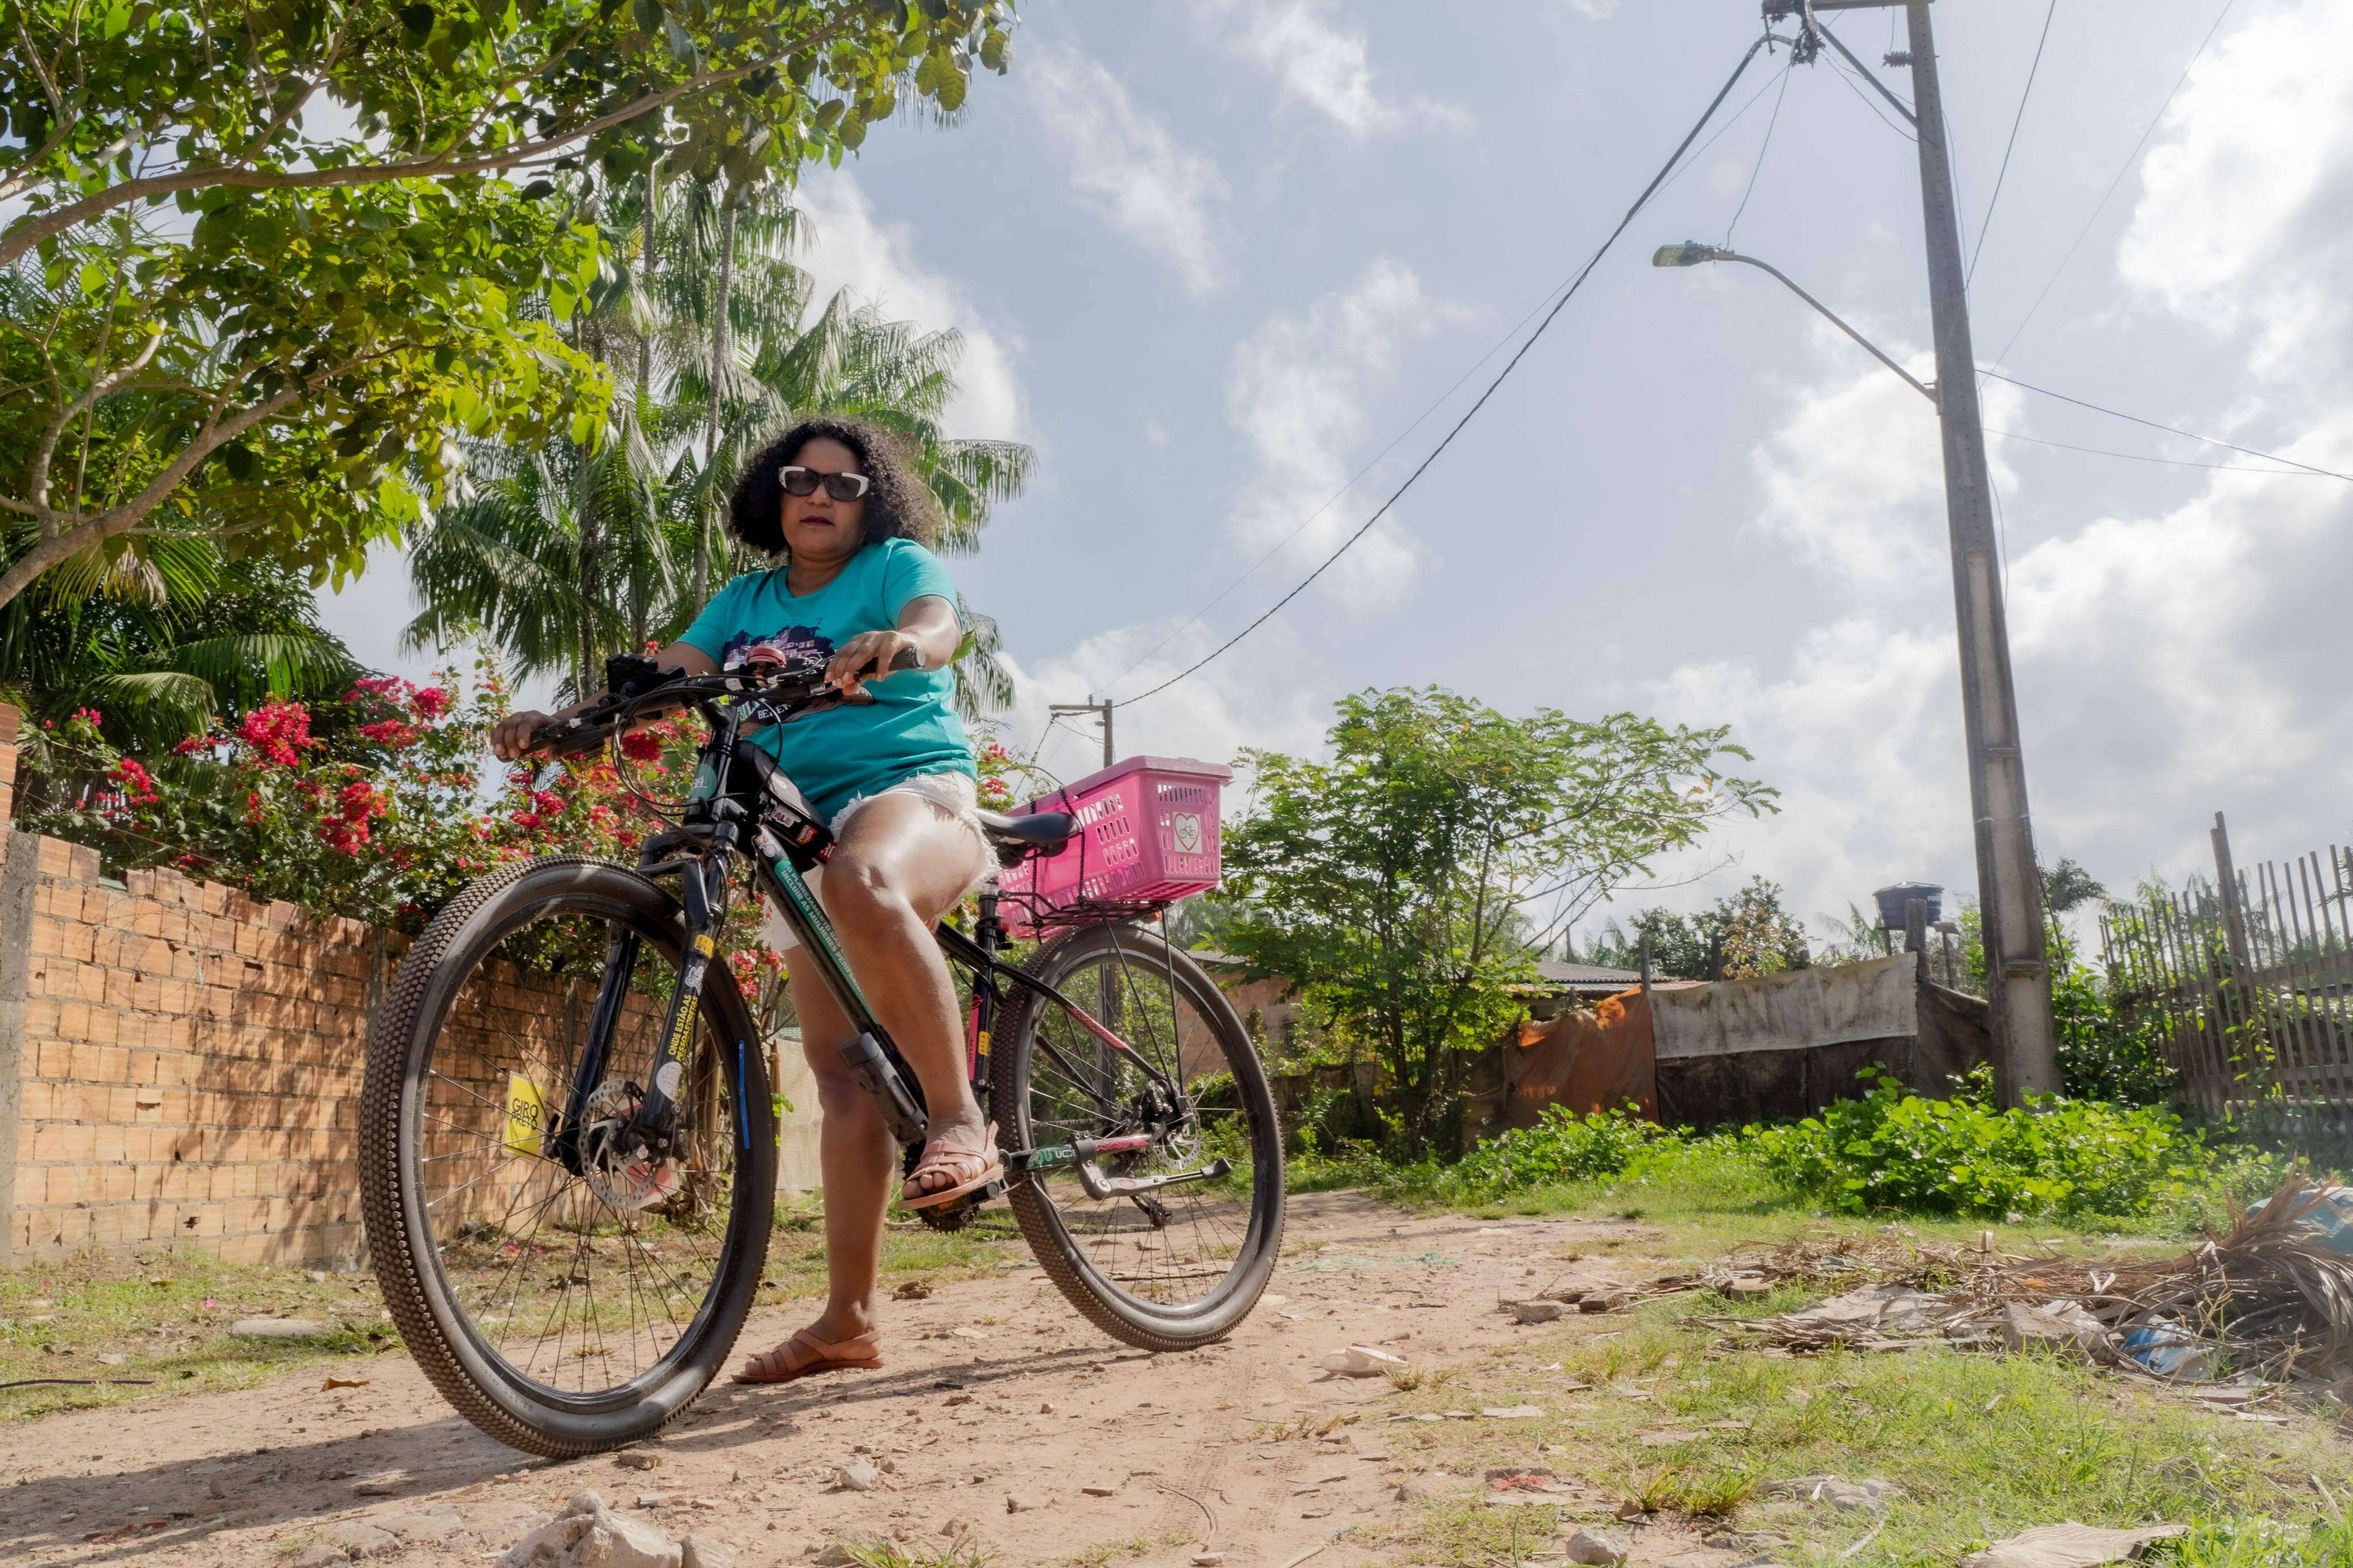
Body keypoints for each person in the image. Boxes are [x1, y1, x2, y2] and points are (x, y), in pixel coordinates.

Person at [490, 415, 998, 1385]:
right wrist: (568, 722)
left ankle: (959, 1118)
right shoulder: (743, 598)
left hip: (907, 795)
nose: (821, 495)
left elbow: (940, 623)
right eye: (803, 479)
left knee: (863, 878)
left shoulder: (892, 563)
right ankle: (848, 1320)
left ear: (871, 500)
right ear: (773, 492)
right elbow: (671, 672)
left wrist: (901, 642)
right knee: (843, 1072)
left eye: (845, 485)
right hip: (792, 824)